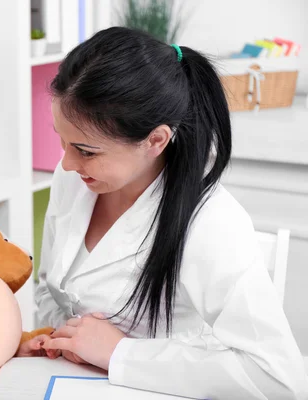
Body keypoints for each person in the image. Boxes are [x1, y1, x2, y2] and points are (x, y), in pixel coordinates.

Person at [37, 27, 308, 399]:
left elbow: (277, 377)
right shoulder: (74, 180)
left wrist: (121, 353)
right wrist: (66, 337)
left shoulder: (211, 223)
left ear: (156, 140)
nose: (66, 163)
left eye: (85, 150)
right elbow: (49, 288)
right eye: (61, 140)